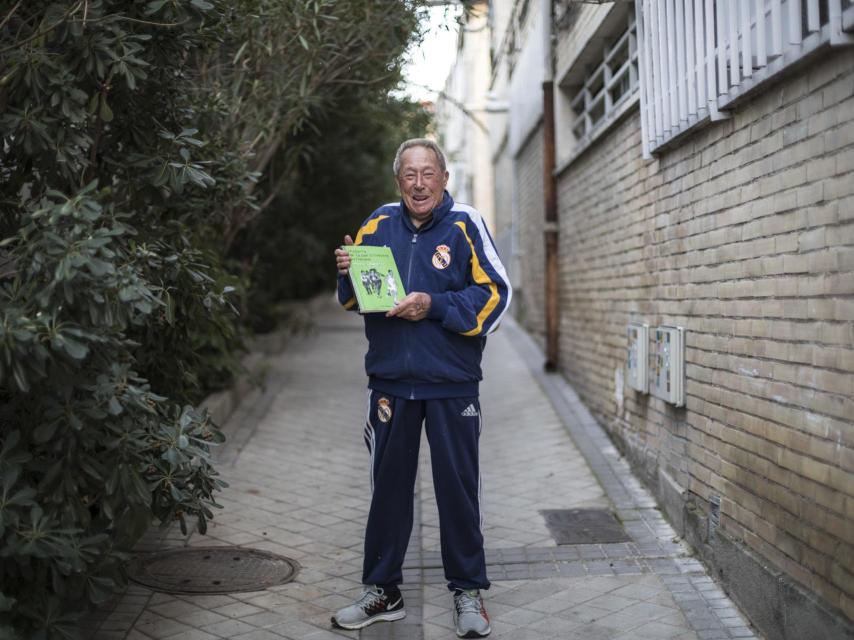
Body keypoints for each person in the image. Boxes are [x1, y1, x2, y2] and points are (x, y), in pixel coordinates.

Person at [331, 138, 511, 638]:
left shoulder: (464, 225)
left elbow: (495, 296)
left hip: (452, 383)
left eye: (427, 173)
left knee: (458, 491)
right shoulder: (377, 224)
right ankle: (382, 590)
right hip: (390, 383)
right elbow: (355, 301)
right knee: (388, 492)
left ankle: (468, 591)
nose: (418, 183)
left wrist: (432, 305)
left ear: (443, 178)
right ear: (398, 181)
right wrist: (347, 275)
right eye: (409, 174)